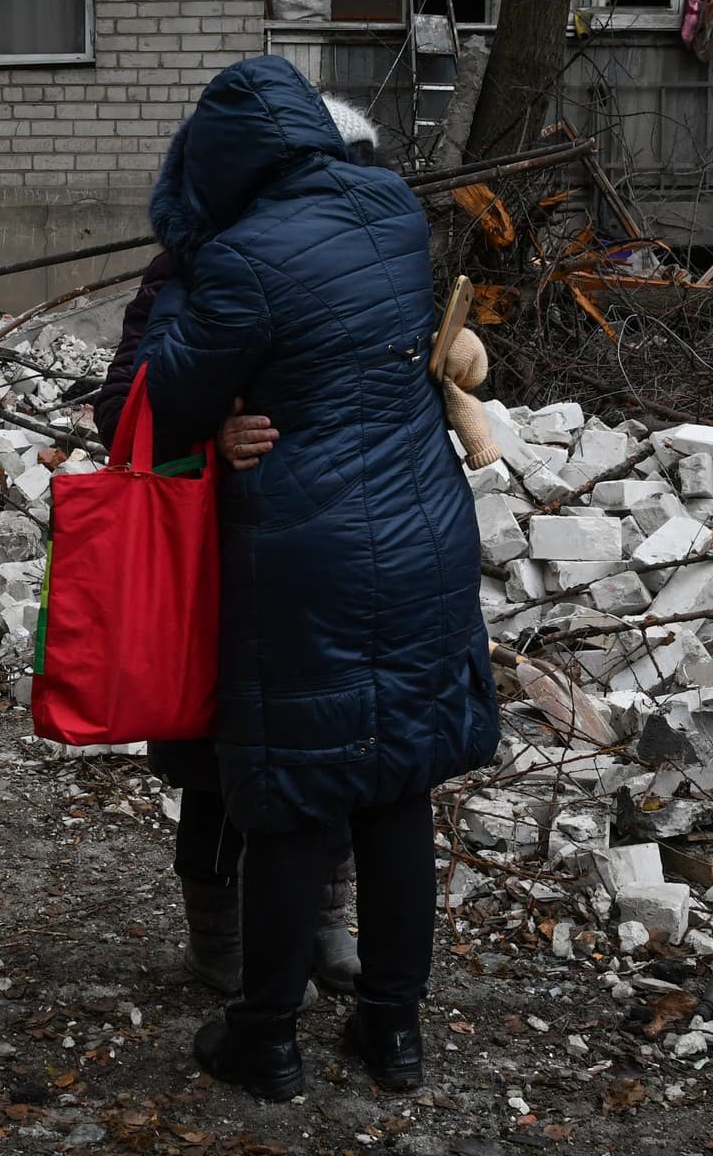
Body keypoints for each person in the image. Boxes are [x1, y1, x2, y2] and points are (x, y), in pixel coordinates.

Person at [139, 57, 500, 1101]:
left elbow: (168, 398)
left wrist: (192, 313)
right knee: (395, 788)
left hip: (310, 551)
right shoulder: (394, 211)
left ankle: (266, 1038)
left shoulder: (237, 258)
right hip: (424, 534)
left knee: (296, 795)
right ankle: (394, 1030)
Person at [95, 251, 361, 1003]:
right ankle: (218, 940)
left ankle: (325, 922)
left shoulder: (330, 260)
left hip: (316, 547)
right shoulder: (184, 271)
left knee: (329, 736)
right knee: (215, 756)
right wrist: (209, 432)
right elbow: (120, 410)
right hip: (208, 558)